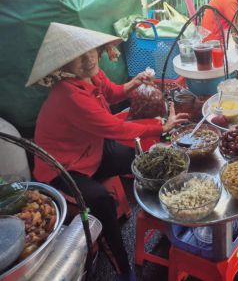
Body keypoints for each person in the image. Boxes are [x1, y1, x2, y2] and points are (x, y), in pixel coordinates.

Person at [28, 23, 189, 281]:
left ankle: (169, 218)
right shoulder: (68, 96)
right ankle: (123, 269)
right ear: (63, 67)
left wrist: (133, 83)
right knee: (101, 201)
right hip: (63, 169)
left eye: (89, 50)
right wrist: (161, 125)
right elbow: (114, 127)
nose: (88, 58)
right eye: (76, 57)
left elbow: (113, 94)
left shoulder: (93, 75)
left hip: (91, 151)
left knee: (147, 162)